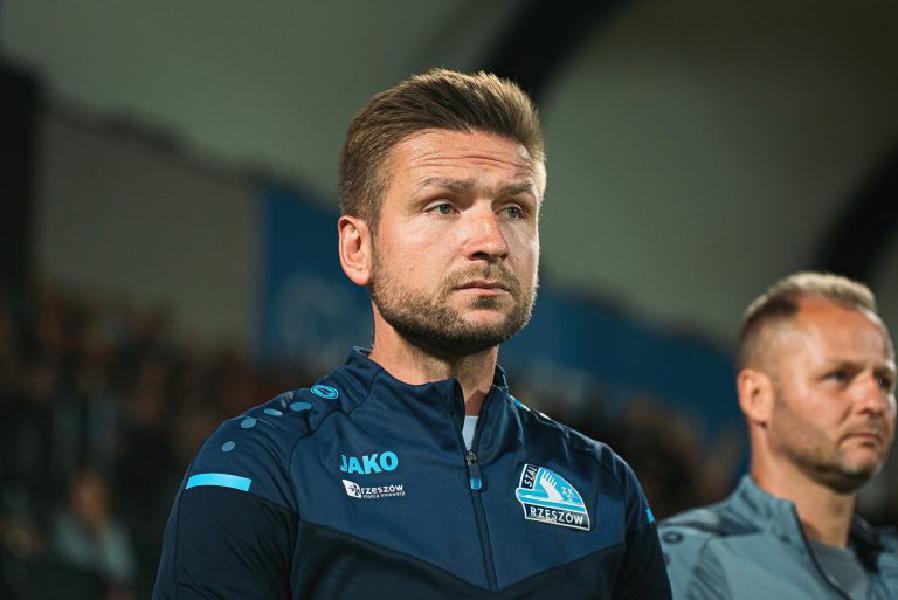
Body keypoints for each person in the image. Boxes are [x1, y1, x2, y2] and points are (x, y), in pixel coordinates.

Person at [153, 68, 670, 599]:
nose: (491, 241)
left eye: (515, 210)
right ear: (358, 248)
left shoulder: (605, 489)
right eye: (444, 205)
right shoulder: (261, 465)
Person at [660, 272, 898, 599]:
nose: (874, 402)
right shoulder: (686, 566)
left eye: (884, 381)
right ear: (757, 396)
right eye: (839, 376)